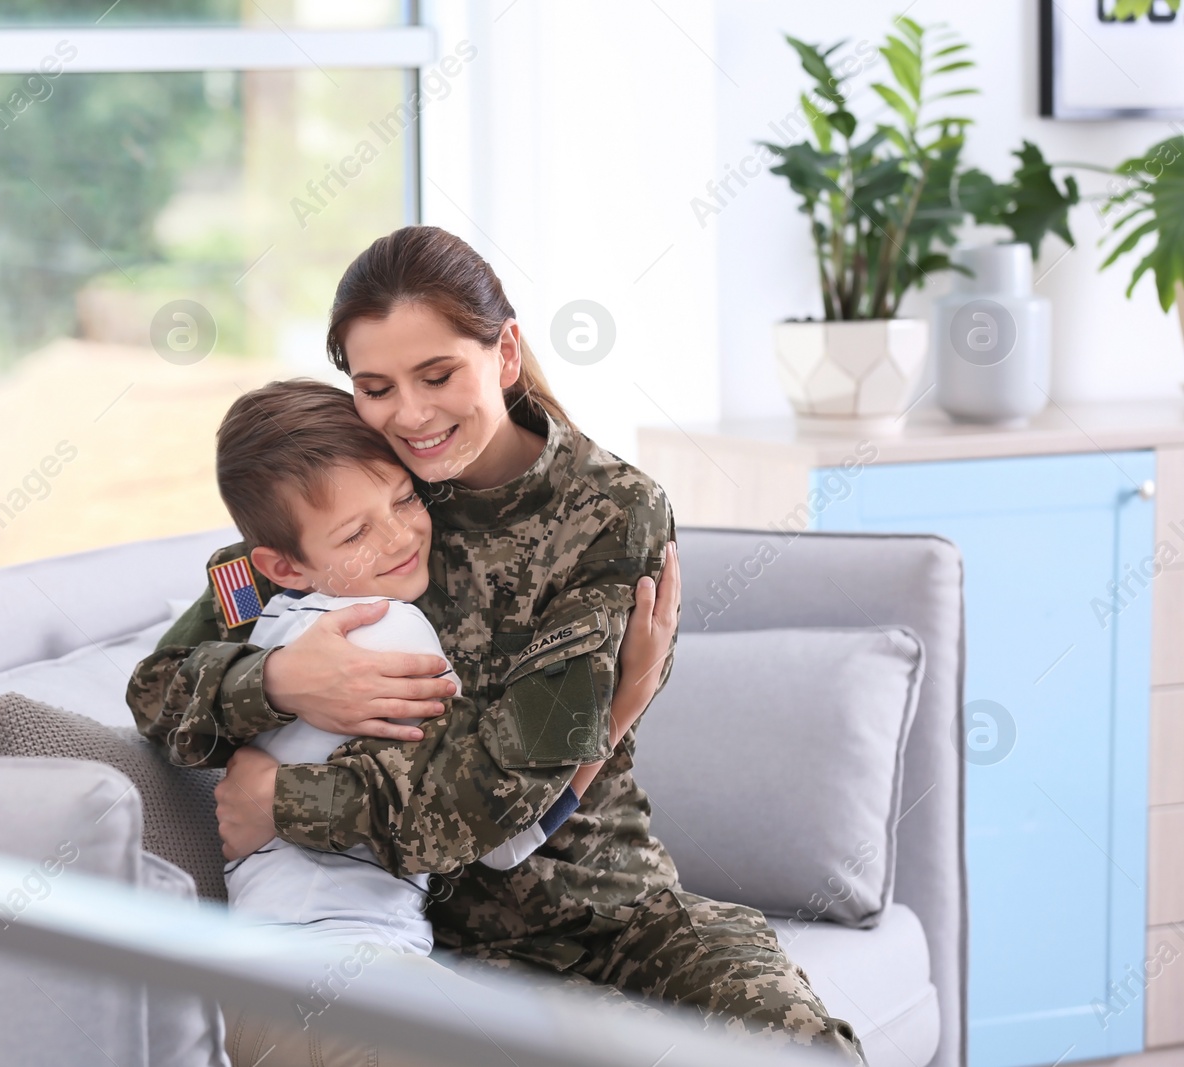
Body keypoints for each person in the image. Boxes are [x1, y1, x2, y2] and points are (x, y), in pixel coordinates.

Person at [130, 225, 865, 1065]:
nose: (410, 414)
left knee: (804, 1049)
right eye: (376, 386)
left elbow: (498, 787)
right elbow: (158, 685)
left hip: (608, 914)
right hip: (436, 951)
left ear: (505, 353)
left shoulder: (609, 513)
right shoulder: (363, 486)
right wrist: (281, 681)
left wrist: (283, 801)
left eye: (437, 375)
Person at [213, 379, 663, 958]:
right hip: (348, 947)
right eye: (356, 534)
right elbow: (498, 838)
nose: (399, 536)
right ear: (285, 565)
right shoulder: (391, 631)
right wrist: (630, 694)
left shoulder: (271, 616)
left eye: (403, 499)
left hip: (265, 930)